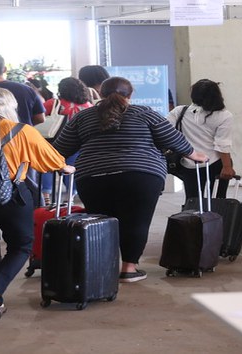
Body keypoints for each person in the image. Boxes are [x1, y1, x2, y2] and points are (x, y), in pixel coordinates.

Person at [53, 77, 207, 283]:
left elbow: (59, 149)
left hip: (92, 177)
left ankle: (103, 267)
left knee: (101, 222)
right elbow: (172, 138)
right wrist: (194, 154)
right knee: (136, 221)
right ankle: (128, 269)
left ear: (100, 93)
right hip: (141, 174)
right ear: (130, 95)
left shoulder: (84, 117)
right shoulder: (144, 113)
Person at [0, 87, 74, 320]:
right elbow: (50, 160)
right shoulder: (21, 131)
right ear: (7, 106)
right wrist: (65, 166)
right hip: (10, 195)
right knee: (21, 244)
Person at [167, 79, 235, 203]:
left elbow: (164, 131)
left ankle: (191, 219)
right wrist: (227, 166)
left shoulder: (180, 111)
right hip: (214, 163)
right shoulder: (224, 115)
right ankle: (216, 218)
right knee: (218, 200)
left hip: (189, 163)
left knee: (192, 200)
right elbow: (222, 145)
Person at [39, 77, 92, 204]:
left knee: (47, 165)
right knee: (72, 168)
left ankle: (46, 195)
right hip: (77, 144)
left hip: (53, 142)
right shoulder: (88, 106)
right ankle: (70, 196)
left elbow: (39, 117)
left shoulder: (54, 103)